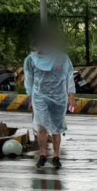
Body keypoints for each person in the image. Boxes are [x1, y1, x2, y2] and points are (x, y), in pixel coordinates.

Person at [24, 27, 75, 169]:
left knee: (57, 128)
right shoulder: (31, 60)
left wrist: (72, 97)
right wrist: (31, 99)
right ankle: (43, 155)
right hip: (40, 97)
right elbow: (29, 80)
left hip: (59, 97)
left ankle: (56, 156)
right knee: (41, 127)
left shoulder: (62, 58)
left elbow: (69, 76)